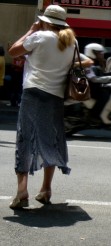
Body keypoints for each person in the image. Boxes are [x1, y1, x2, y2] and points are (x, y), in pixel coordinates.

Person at [7, 5, 75, 209]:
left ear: (45, 21)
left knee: (25, 139)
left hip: (33, 92)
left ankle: (22, 191)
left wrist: (31, 30)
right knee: (50, 140)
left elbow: (13, 51)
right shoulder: (72, 42)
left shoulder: (40, 37)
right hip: (55, 97)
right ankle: (46, 189)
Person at [84, 43, 111, 121]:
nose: (102, 55)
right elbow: (94, 79)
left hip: (93, 87)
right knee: (105, 93)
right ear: (93, 53)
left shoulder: (93, 64)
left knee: (110, 89)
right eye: (100, 53)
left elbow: (100, 74)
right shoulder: (87, 64)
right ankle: (95, 115)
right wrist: (110, 78)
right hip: (89, 90)